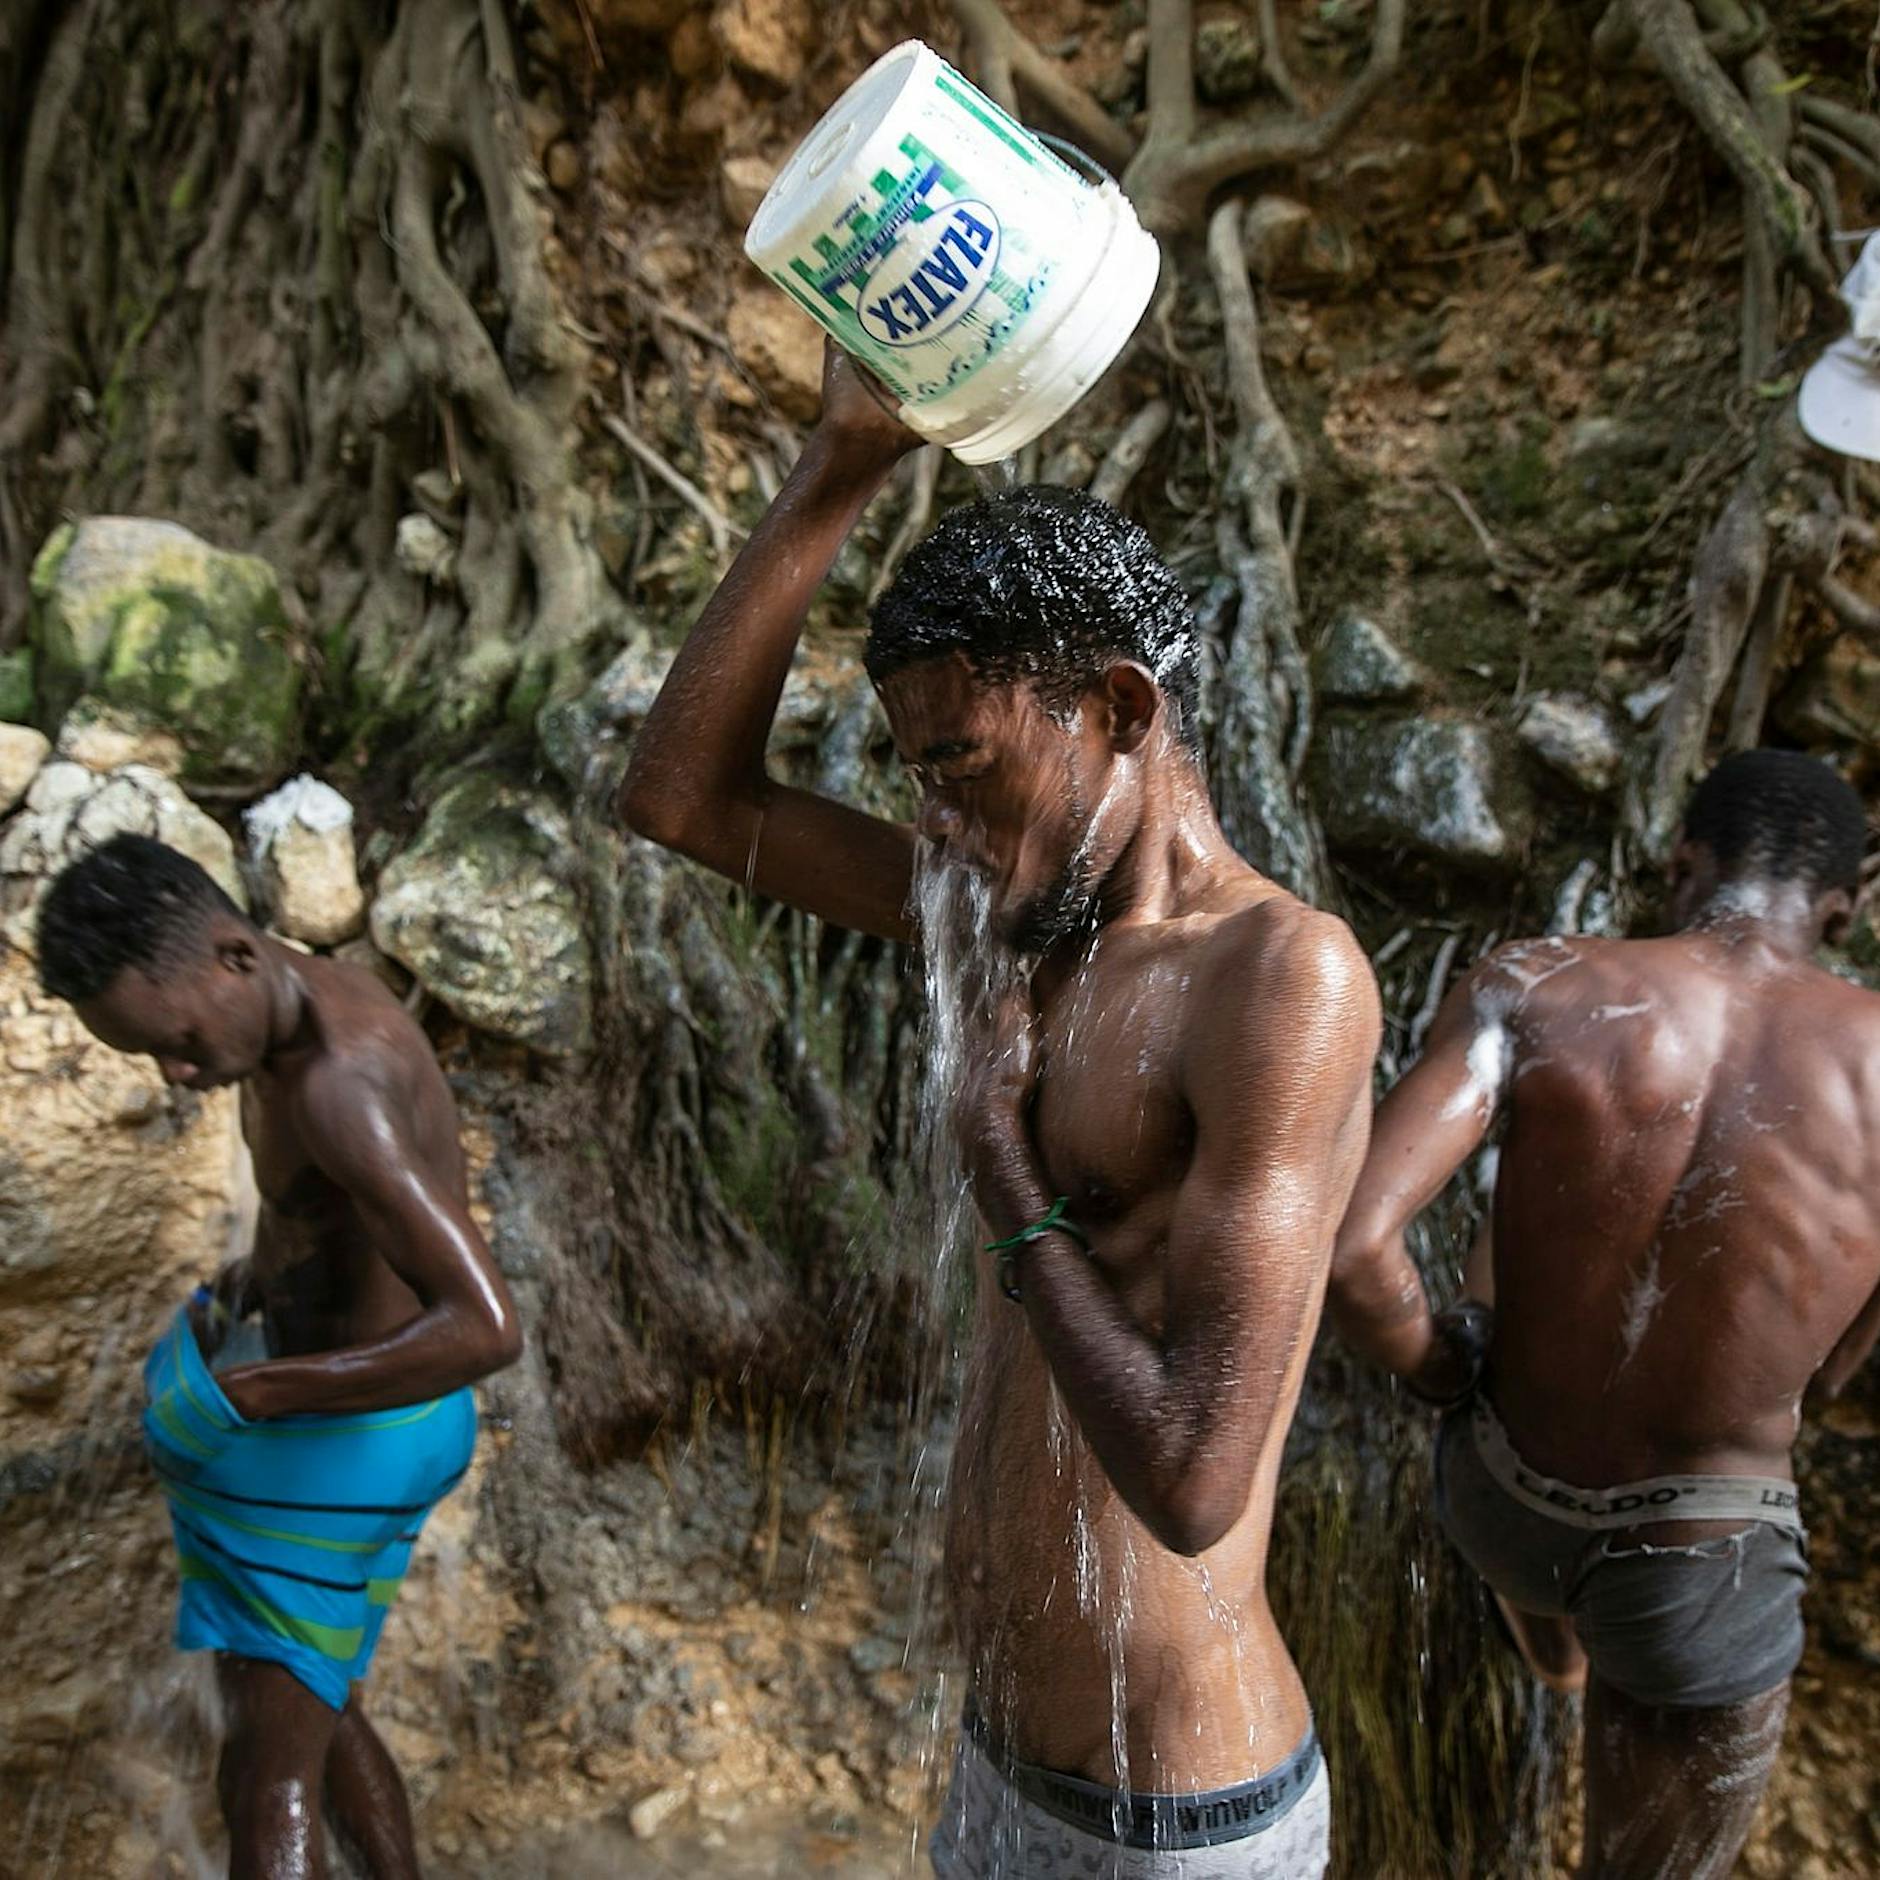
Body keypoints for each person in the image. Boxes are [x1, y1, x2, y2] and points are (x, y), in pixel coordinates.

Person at [622, 343, 1379, 1876]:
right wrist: (842, 462)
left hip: (1174, 1822)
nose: (936, 824)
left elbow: (1191, 1479)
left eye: (961, 765)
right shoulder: (1019, 918)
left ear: (1114, 706)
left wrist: (1001, 1171)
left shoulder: (1279, 980)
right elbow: (682, 802)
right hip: (1008, 1773)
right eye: (917, 780)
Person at [1328, 750, 1880, 1879]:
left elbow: (1351, 1248)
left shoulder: (1528, 984)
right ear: (1844, 905)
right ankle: (1606, 1658)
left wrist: (1437, 1366)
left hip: (1497, 1490)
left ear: (1681, 864)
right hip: (1694, 1554)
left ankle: (1559, 1653)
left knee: (1536, 1190)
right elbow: (1834, 1378)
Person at [36, 833, 523, 1880]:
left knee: (265, 1780)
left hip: (349, 1443)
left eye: (171, 1039)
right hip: (368, 1430)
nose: (172, 1071)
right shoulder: (290, 1009)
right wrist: (254, 1285)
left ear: (231, 955)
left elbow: (486, 1326)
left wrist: (253, 1389)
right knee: (318, 1708)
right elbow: (325, 1215)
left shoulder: (338, 1084)